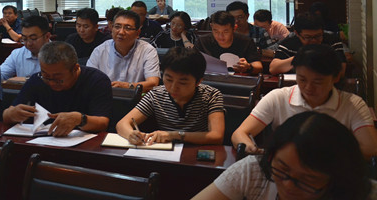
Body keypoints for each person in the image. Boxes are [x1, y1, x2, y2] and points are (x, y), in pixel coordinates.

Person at [232, 44, 377, 158]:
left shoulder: (352, 104)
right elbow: (240, 133)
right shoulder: (278, 97)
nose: (308, 87)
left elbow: (370, 148)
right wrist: (251, 149)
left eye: (317, 82)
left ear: (336, 77)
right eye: (302, 79)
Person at [192, 111, 375, 200]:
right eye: (281, 169)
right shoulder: (255, 170)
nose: (288, 185)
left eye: (307, 179)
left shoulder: (364, 193)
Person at [116, 47, 224, 145]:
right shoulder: (156, 95)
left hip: (197, 152)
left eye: (182, 83)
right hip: (165, 152)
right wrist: (131, 134)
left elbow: (217, 136)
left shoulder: (211, 95)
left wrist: (174, 135)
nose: (173, 88)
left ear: (198, 82)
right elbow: (122, 124)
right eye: (169, 79)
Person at [3, 41, 112, 137]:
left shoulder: (97, 80)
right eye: (46, 76)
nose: (51, 83)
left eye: (58, 79)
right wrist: (12, 114)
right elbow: (6, 115)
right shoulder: (37, 79)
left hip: (83, 143)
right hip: (42, 139)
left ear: (75, 68)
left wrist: (80, 119)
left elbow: (102, 123)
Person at [87, 10, 160, 92]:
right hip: (105, 97)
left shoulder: (147, 50)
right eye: (117, 27)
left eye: (127, 28)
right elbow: (88, 80)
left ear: (137, 33)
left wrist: (127, 86)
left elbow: (153, 83)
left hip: (137, 98)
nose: (121, 32)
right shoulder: (100, 50)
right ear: (112, 28)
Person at [270, 12, 346, 75]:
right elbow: (273, 68)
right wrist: (300, 58)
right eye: (308, 37)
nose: (313, 41)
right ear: (297, 33)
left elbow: (341, 70)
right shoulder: (289, 43)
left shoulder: (332, 41)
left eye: (318, 36)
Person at [195, 11, 262, 75]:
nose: (220, 36)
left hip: (238, 79)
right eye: (216, 31)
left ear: (234, 28)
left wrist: (248, 67)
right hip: (210, 79)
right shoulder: (202, 41)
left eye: (225, 32)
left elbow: (259, 66)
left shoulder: (246, 41)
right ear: (211, 26)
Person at [0, 15, 50, 81]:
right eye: (24, 39)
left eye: (33, 38)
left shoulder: (59, 54)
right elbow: (0, 75)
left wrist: (27, 80)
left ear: (47, 36)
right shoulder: (18, 54)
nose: (29, 43)